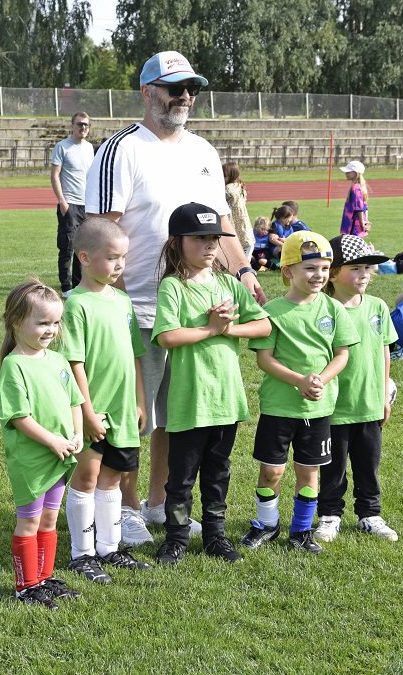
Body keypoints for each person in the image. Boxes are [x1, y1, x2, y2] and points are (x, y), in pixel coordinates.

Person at [85, 50, 264, 547]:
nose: (184, 96)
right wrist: (112, 300)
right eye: (173, 88)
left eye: (191, 88)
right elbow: (102, 229)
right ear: (147, 93)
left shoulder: (204, 152)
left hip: (190, 305)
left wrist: (244, 269)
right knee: (130, 415)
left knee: (174, 414)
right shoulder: (121, 148)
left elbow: (221, 225)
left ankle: (162, 502)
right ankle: (124, 507)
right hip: (134, 304)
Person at [152, 204, 271, 565]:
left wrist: (229, 328)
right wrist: (209, 329)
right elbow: (167, 336)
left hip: (225, 398)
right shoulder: (173, 286)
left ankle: (215, 536)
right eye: (200, 238)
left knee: (218, 471)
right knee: (181, 476)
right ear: (178, 242)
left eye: (214, 239)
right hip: (191, 399)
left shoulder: (228, 284)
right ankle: (176, 538)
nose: (209, 246)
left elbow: (264, 326)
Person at [241, 231, 359, 554]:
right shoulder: (273, 312)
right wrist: (298, 380)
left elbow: (342, 354)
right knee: (271, 471)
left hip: (317, 410)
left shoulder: (334, 310)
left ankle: (301, 531)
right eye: (310, 268)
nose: (318, 275)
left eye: (323, 268)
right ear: (288, 271)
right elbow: (264, 359)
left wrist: (320, 379)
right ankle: (266, 524)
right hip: (279, 408)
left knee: (309, 473)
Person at [60, 218, 152, 583]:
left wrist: (140, 402)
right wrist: (87, 412)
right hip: (93, 410)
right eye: (112, 258)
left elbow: (133, 355)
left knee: (112, 478)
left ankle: (109, 548)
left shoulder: (124, 302)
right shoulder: (76, 305)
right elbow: (74, 363)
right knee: (87, 477)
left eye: (123, 258)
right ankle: (81, 554)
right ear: (85, 257)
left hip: (124, 409)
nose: (119, 266)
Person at [0, 279, 84, 609]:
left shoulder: (58, 361)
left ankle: (44, 578)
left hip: (61, 455)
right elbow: (19, 417)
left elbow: (75, 401)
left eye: (55, 322)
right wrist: (51, 441)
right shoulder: (14, 365)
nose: (51, 330)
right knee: (30, 521)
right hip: (34, 458)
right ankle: (25, 585)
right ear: (17, 322)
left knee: (49, 520)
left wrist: (76, 435)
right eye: (42, 322)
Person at [315, 235, 399, 544]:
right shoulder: (322, 308)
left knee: (368, 464)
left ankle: (370, 514)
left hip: (369, 403)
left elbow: (384, 351)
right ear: (333, 271)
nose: (364, 275)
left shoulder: (377, 306)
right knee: (333, 467)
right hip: (334, 406)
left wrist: (383, 395)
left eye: (368, 269)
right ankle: (330, 515)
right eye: (356, 268)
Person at [51, 113, 94, 295]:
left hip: (88, 205)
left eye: (86, 125)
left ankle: (77, 284)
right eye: (80, 124)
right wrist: (62, 201)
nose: (83, 128)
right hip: (70, 203)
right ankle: (66, 287)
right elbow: (54, 175)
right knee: (67, 246)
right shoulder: (62, 147)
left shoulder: (90, 147)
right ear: (72, 125)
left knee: (83, 247)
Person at [223, 161, 253, 260]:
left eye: (225, 176)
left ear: (232, 175)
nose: (223, 179)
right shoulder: (239, 185)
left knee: (238, 243)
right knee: (245, 243)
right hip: (241, 220)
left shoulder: (229, 188)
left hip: (234, 220)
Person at [339, 160, 370, 236]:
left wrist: (362, 222)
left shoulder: (355, 188)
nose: (346, 173)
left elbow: (359, 207)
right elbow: (365, 207)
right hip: (356, 224)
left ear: (355, 173)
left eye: (348, 172)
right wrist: (366, 220)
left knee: (350, 245)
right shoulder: (360, 187)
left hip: (352, 225)